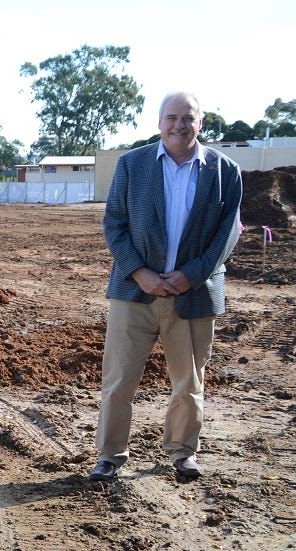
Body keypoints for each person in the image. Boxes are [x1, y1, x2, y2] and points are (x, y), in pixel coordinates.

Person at [90, 92, 241, 482]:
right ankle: (109, 456)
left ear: (200, 123)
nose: (179, 125)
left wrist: (192, 274)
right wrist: (140, 272)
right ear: (159, 122)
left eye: (187, 118)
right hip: (135, 292)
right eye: (171, 117)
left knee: (189, 381)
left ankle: (183, 452)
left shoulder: (225, 171)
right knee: (119, 379)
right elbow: (114, 224)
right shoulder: (132, 165)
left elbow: (227, 234)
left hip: (194, 294)